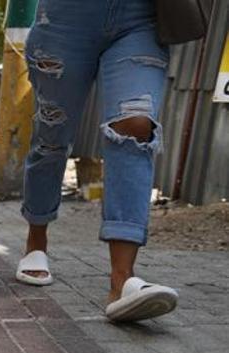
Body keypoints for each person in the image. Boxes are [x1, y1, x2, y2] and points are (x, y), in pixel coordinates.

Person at [16, 0, 179, 322]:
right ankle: (37, 238)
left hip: (141, 18)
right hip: (65, 20)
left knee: (135, 125)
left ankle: (122, 281)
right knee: (52, 139)